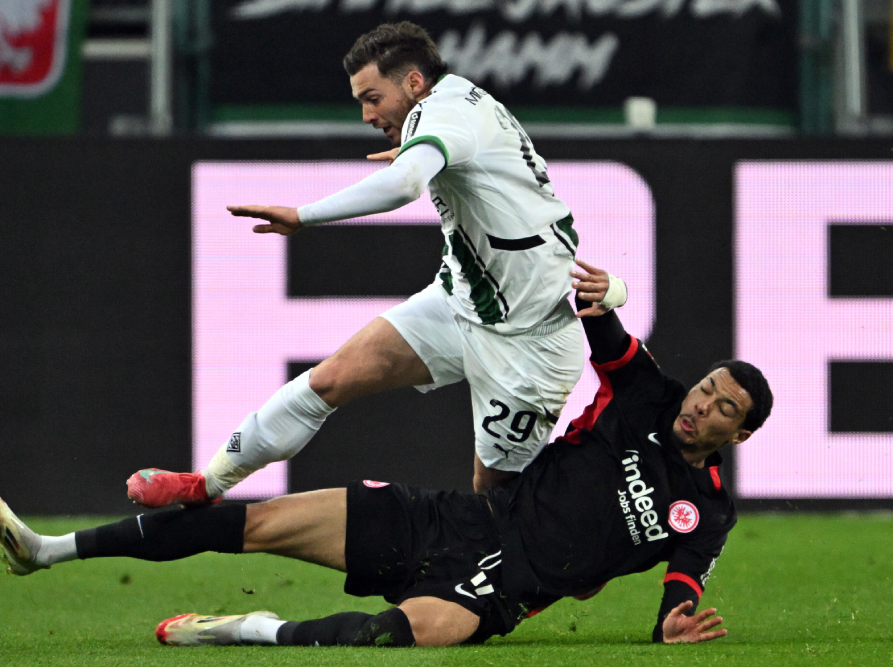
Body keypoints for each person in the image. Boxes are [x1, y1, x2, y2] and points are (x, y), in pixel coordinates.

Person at [0, 262, 772, 647]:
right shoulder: (648, 395)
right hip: (455, 520)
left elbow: (682, 586)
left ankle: (248, 628)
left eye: (722, 409)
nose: (702, 405)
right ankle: (46, 549)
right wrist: (598, 294)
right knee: (250, 523)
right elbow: (601, 328)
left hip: (503, 589)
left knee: (392, 636)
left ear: (737, 436)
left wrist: (672, 625)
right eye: (708, 388)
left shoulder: (707, 511)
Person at [128, 21, 627, 509]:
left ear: (413, 82)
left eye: (372, 98)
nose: (367, 115)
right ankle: (206, 484)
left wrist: (302, 216)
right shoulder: (448, 107)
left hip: (530, 342)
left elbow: (404, 186)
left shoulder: (447, 113)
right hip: (460, 303)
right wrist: (417, 154)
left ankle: (598, 543)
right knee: (327, 380)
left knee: (496, 499)